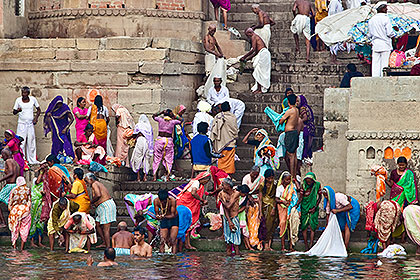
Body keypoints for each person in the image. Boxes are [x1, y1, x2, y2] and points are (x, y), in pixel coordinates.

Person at [177, 171, 210, 250]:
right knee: (186, 224)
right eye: (207, 180)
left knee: (188, 225)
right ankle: (185, 245)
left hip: (188, 205)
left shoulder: (198, 184)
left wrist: (200, 203)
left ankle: (187, 244)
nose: (206, 182)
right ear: (204, 179)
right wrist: (202, 200)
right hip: (186, 205)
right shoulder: (196, 183)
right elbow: (193, 193)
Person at [85, 173, 116, 248]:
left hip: (106, 206)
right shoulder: (97, 183)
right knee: (97, 225)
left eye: (86, 181)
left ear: (91, 179)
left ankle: (108, 247)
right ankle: (104, 242)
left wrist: (91, 202)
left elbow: (98, 195)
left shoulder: (94, 184)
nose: (86, 183)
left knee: (106, 229)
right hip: (101, 207)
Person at [12, 86, 41, 164]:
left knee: (31, 141)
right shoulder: (18, 100)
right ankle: (22, 159)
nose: (23, 94)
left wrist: (36, 118)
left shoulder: (33, 100)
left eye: (25, 93)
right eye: (22, 93)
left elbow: (39, 110)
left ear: (28, 93)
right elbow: (14, 112)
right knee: (21, 142)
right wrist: (18, 110)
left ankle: (32, 160)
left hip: (30, 124)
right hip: (21, 124)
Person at [152, 109, 182, 181]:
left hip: (160, 140)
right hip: (168, 141)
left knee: (157, 158)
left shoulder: (160, 120)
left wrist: (160, 112)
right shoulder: (173, 122)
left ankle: (154, 177)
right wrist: (174, 115)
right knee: (169, 159)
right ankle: (168, 176)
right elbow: (181, 120)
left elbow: (153, 116)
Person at [368, 4, 397, 77]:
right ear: (382, 9)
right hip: (385, 43)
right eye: (385, 8)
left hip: (375, 43)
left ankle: (375, 77)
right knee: (384, 63)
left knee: (375, 63)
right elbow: (389, 33)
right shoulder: (385, 18)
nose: (387, 10)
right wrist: (394, 35)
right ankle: (383, 77)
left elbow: (370, 33)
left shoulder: (371, 19)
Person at [210, 101, 238, 175]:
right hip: (230, 143)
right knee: (230, 162)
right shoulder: (233, 117)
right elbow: (235, 131)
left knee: (221, 160)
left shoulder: (217, 117)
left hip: (220, 144)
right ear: (230, 108)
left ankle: (221, 176)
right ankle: (228, 176)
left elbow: (213, 130)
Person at [276, 171, 301, 251]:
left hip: (290, 207)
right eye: (287, 180)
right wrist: (283, 201)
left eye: (289, 180)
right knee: (283, 224)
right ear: (283, 180)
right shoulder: (279, 188)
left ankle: (291, 246)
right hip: (282, 208)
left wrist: (295, 181)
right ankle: (283, 247)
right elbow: (276, 199)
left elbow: (298, 190)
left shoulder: (292, 187)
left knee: (291, 225)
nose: (288, 181)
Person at [240, 28, 271, 94]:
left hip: (263, 54)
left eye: (247, 35)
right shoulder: (256, 37)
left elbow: (253, 49)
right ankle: (259, 88)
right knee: (259, 71)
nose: (248, 37)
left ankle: (259, 89)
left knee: (259, 71)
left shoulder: (254, 36)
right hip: (263, 54)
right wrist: (247, 59)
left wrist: (244, 56)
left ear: (250, 33)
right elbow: (256, 52)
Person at [297, 172, 322, 250]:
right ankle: (306, 245)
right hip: (304, 207)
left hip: (314, 207)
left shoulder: (317, 185)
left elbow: (320, 197)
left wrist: (315, 206)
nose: (308, 183)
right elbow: (301, 198)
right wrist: (296, 205)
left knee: (312, 226)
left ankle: (311, 243)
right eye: (307, 181)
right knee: (304, 226)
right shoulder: (303, 185)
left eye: (310, 181)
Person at [242, 166, 264, 249]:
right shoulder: (246, 178)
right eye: (253, 175)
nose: (254, 177)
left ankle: (255, 241)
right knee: (248, 223)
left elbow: (260, 191)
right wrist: (249, 196)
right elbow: (244, 191)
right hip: (248, 201)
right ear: (250, 172)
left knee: (256, 223)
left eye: (256, 175)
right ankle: (250, 242)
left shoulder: (261, 178)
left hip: (257, 201)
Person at [279, 94, 300, 179]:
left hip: (290, 133)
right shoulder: (296, 110)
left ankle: (292, 176)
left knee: (290, 155)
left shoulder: (290, 111)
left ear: (288, 102)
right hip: (295, 132)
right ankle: (294, 175)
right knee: (294, 155)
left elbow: (281, 121)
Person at [219, 178, 241, 256]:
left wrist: (222, 201)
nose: (221, 186)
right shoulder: (222, 193)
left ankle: (237, 260)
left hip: (234, 217)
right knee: (228, 241)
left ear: (228, 186)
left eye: (223, 185)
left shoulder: (236, 193)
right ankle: (228, 261)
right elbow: (226, 209)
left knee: (236, 242)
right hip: (227, 218)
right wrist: (229, 221)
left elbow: (228, 206)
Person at [8, 176, 31, 250]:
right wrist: (27, 209)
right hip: (25, 210)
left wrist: (11, 210)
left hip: (15, 210)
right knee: (24, 228)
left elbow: (10, 201)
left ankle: (14, 246)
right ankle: (22, 248)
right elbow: (29, 201)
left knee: (15, 228)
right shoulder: (27, 190)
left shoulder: (14, 190)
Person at [154, 189, 179, 254]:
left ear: (167, 198)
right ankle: (161, 257)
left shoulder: (172, 200)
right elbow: (156, 214)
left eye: (164, 201)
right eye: (161, 201)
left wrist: (163, 216)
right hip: (164, 219)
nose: (162, 202)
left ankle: (173, 256)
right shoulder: (156, 201)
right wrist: (158, 216)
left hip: (174, 219)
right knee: (162, 241)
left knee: (173, 240)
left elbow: (173, 215)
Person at [258, 169, 278, 251]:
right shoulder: (262, 185)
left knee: (272, 225)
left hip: (272, 206)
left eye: (272, 178)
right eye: (268, 178)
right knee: (265, 225)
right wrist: (260, 212)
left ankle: (269, 244)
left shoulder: (275, 184)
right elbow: (260, 198)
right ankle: (265, 244)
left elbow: (276, 197)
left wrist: (274, 208)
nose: (270, 180)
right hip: (264, 206)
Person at [130, 115, 154, 182]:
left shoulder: (138, 125)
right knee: (146, 159)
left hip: (140, 141)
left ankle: (138, 178)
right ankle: (145, 177)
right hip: (147, 143)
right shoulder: (149, 127)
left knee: (137, 158)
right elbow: (151, 137)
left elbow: (134, 134)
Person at [0, 148, 19, 227]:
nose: (2, 156)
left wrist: (0, 180)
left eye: (2, 155)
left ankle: (3, 222)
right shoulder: (15, 162)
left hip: (10, 185)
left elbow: (11, 172)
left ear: (6, 154)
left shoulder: (8, 161)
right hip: (15, 185)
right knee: (12, 205)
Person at [297, 95, 316, 160]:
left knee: (305, 144)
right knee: (309, 145)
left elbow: (305, 118)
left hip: (307, 128)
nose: (297, 103)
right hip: (311, 128)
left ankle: (304, 157)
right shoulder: (307, 107)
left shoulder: (302, 108)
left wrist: (298, 121)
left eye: (298, 101)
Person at [237, 184, 251, 250]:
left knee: (245, 231)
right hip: (233, 214)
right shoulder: (235, 195)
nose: (244, 195)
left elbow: (244, 207)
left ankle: (249, 247)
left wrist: (237, 212)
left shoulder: (245, 198)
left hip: (241, 214)